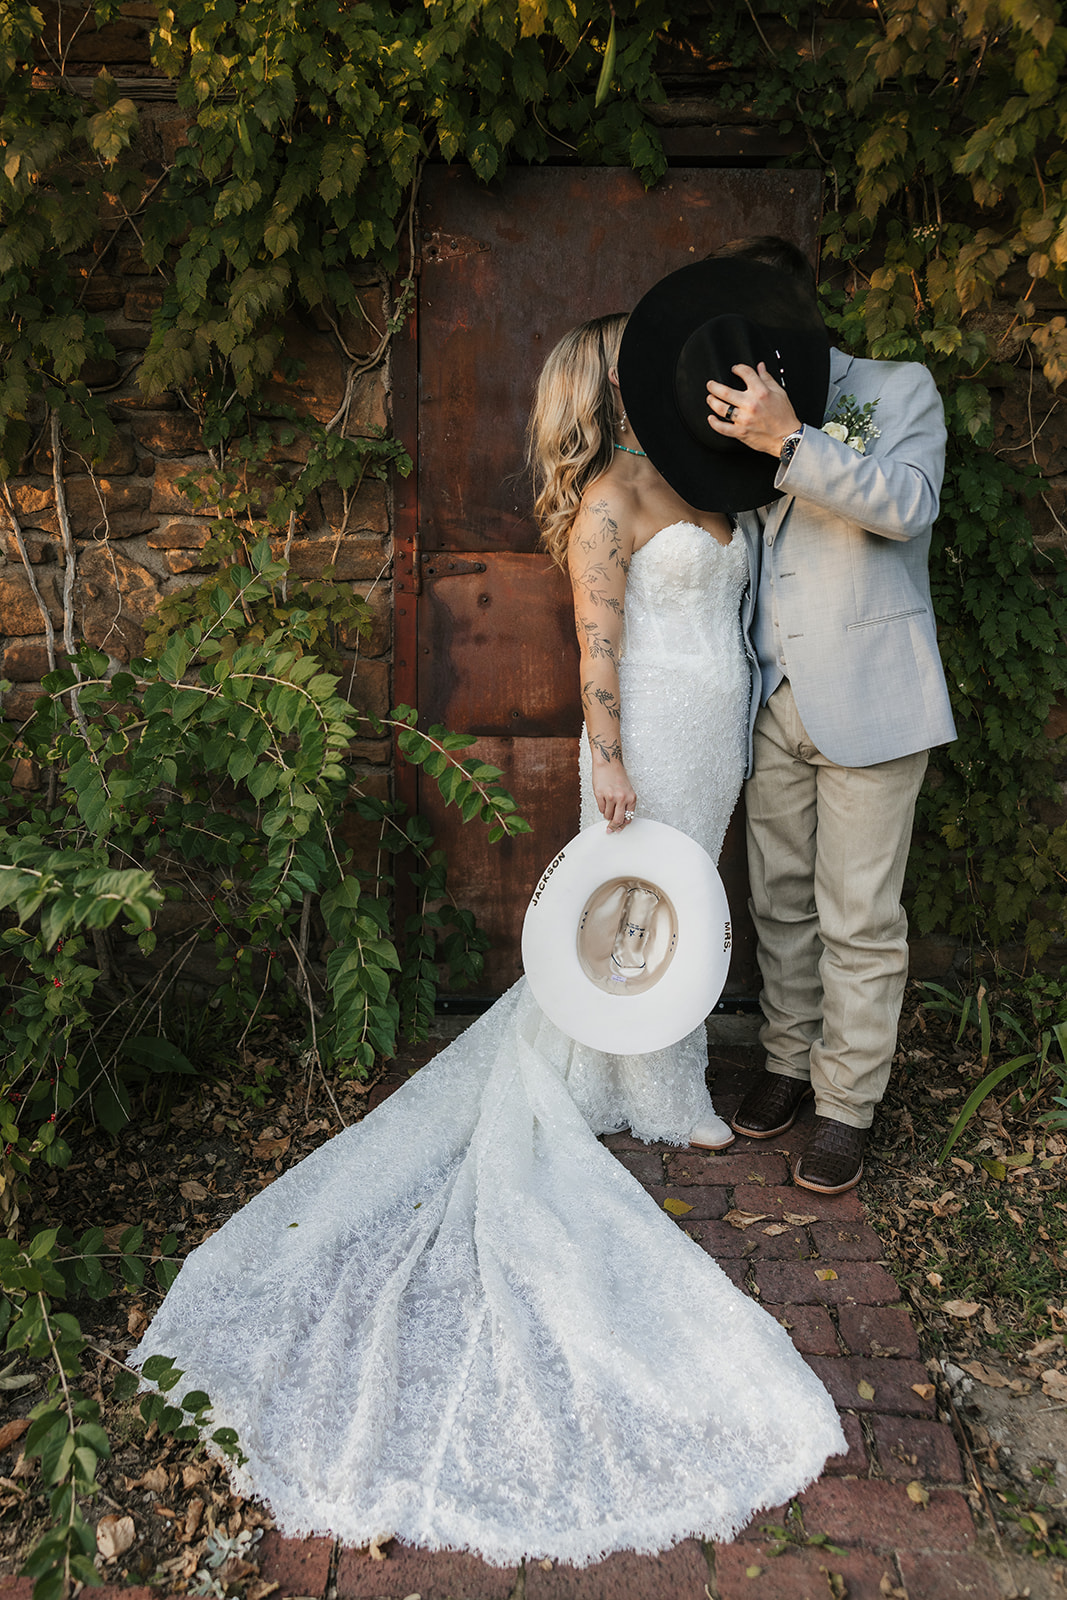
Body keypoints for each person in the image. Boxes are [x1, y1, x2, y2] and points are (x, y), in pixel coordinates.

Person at [131, 312, 844, 1567]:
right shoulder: (603, 504)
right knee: (634, 902)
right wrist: (609, 759)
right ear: (604, 393)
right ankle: (646, 1080)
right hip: (649, 729)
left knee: (689, 905)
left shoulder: (698, 475)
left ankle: (644, 1069)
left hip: (718, 722)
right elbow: (596, 646)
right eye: (630, 370)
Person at [703, 236, 957, 1196]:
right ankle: (785, 1065)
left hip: (872, 694)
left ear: (804, 312)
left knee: (858, 918)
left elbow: (908, 504)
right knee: (778, 902)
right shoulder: (725, 401)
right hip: (772, 694)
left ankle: (847, 1106)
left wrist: (790, 441)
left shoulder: (897, 390)